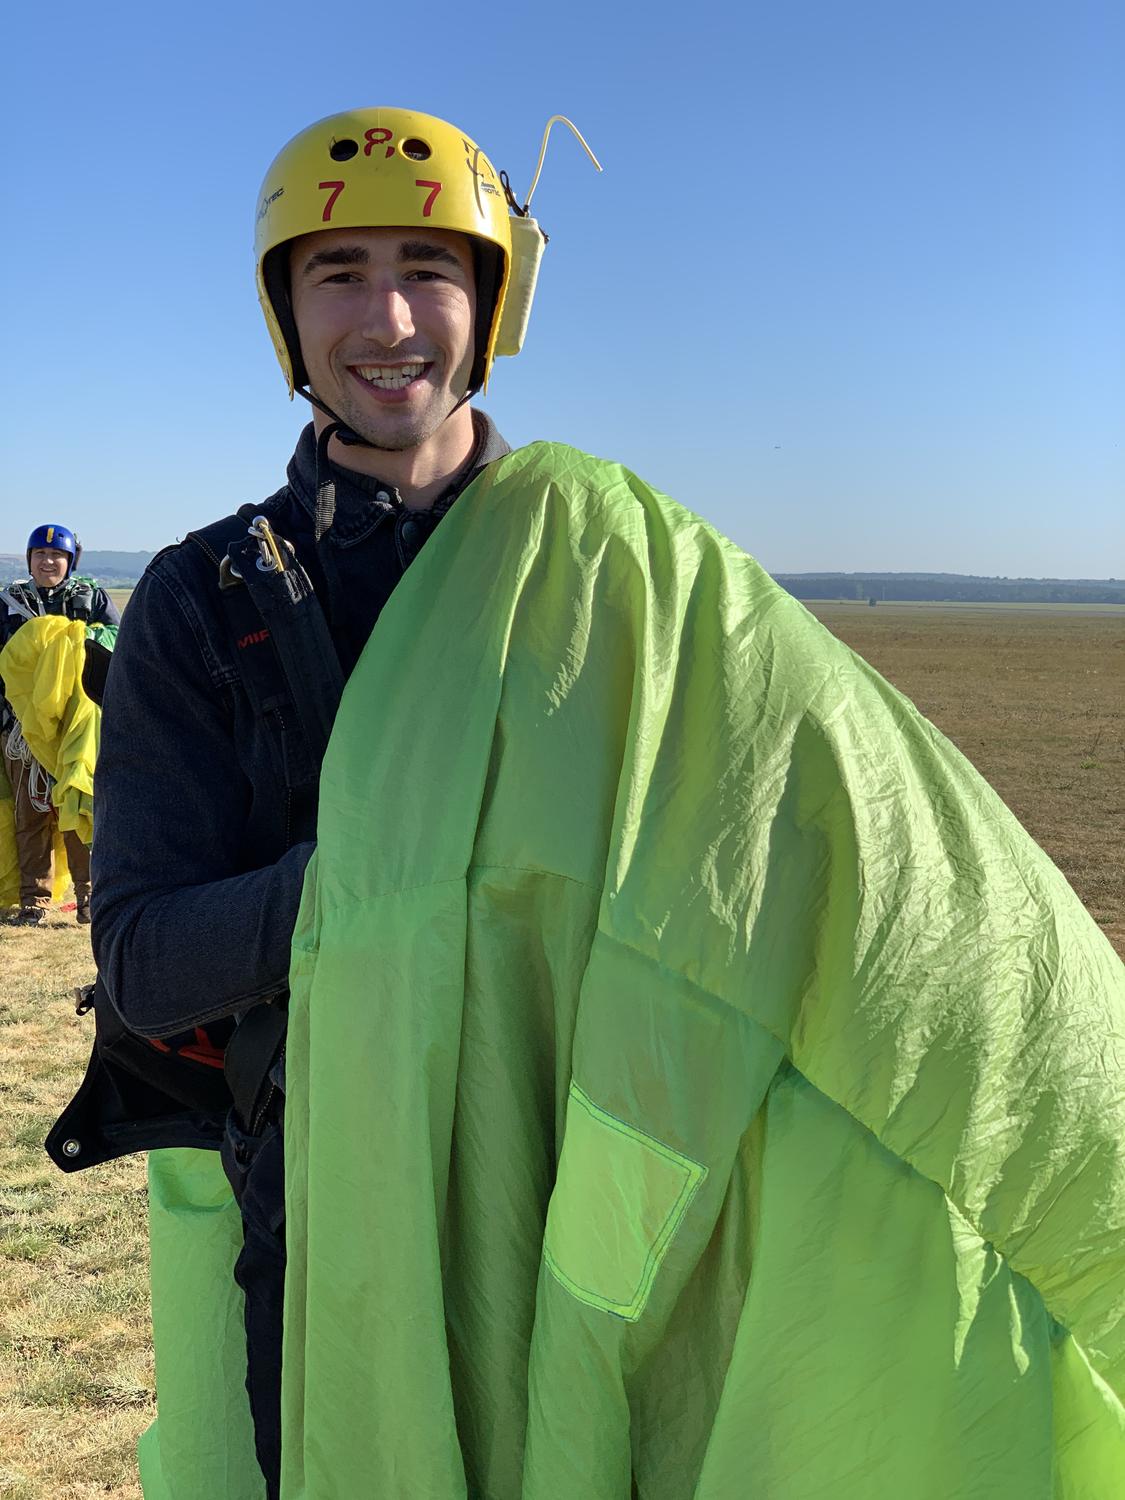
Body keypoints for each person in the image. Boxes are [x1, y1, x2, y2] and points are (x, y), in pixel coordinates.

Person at [82, 108, 1123, 1500]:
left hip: (592, 1198)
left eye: (428, 268)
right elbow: (145, 960)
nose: (388, 318)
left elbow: (822, 834)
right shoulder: (205, 607)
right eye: (338, 273)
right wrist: (402, 874)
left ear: (492, 301)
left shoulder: (618, 580)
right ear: (287, 313)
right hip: (332, 1209)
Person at [0, 524, 119, 925]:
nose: (48, 562)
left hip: (77, 727)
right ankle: (34, 901)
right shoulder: (9, 604)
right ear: (29, 560)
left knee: (77, 806)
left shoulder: (92, 599)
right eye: (40, 555)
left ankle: (88, 897)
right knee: (29, 814)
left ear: (70, 562)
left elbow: (116, 644)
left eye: (56, 556)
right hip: (21, 728)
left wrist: (74, 637)